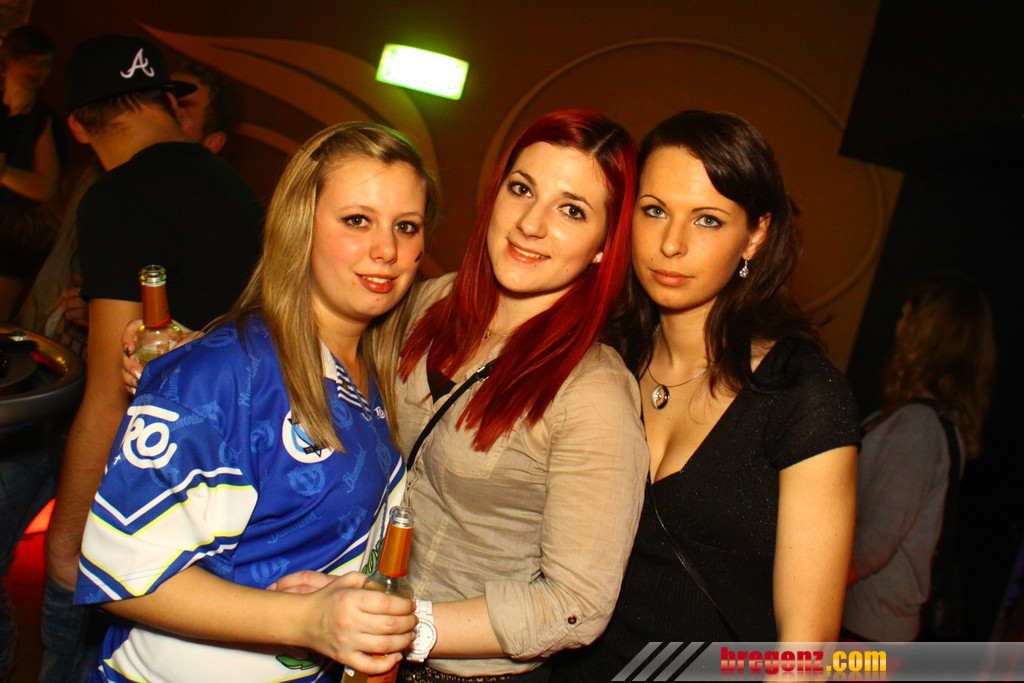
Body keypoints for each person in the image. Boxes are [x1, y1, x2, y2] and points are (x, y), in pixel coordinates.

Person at [265, 109, 647, 683]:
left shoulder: (593, 394)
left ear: (603, 245)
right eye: (522, 189)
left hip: (461, 673)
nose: (531, 224)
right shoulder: (426, 305)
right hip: (348, 644)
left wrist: (402, 626)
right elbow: (313, 343)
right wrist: (203, 351)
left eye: (572, 210)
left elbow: (577, 606)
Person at [76, 120, 439, 681]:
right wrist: (307, 621)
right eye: (356, 220)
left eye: (406, 227)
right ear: (300, 227)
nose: (387, 249)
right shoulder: (222, 374)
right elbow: (120, 572)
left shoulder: (378, 373)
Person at [553, 110, 860, 679]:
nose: (671, 244)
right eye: (654, 211)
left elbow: (807, 649)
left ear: (756, 235)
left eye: (708, 220)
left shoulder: (802, 396)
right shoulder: (603, 363)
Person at [42, 34, 263, 682]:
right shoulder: (238, 189)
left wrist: (68, 540)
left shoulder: (119, 196)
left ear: (78, 126)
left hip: (141, 497)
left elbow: (114, 388)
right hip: (225, 492)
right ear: (167, 98)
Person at [843, 272, 995, 642]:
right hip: (871, 626)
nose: (898, 327)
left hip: (866, 629)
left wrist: (801, 585)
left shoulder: (917, 427)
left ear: (923, 335)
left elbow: (874, 542)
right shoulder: (933, 422)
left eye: (906, 316)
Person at [0, 24, 62, 321]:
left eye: (45, 64)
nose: (38, 71)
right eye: (30, 61)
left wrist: (3, 173)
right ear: (9, 62)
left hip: (10, 239)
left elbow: (45, 187)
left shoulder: (43, 119)